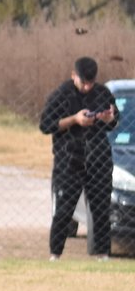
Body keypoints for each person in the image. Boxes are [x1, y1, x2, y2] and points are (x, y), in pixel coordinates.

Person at [40, 57, 119, 259]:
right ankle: (55, 254)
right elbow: (46, 125)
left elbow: (114, 122)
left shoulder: (103, 93)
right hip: (69, 159)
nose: (87, 86)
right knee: (64, 209)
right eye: (83, 82)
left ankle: (103, 254)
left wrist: (109, 118)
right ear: (73, 75)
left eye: (91, 82)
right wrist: (74, 119)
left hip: (98, 158)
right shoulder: (60, 95)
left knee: (101, 209)